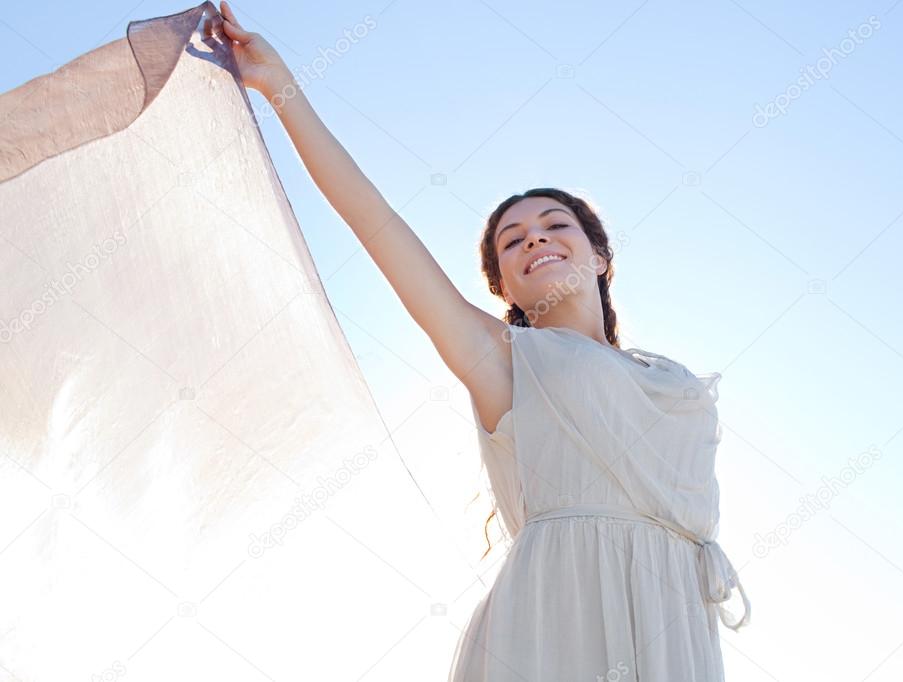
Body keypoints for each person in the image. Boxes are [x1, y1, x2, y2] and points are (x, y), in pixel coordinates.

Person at [218, 3, 751, 679]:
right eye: (512, 238)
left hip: (673, 625)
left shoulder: (669, 377)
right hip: (551, 631)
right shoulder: (504, 361)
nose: (535, 237)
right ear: (502, 285)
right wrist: (282, 90)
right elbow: (375, 224)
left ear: (599, 255)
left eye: (554, 224)